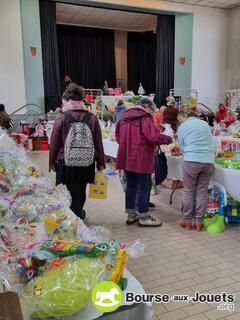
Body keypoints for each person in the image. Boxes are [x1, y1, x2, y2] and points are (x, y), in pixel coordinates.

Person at [49, 83, 105, 219]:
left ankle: (76, 218)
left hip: (67, 160)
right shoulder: (91, 117)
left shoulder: (62, 117)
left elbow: (55, 140)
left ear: (67, 100)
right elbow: (98, 141)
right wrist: (101, 162)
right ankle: (79, 212)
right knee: (81, 188)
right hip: (87, 160)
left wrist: (51, 162)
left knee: (73, 190)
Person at [116, 98, 171, 227]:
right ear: (146, 107)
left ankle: (131, 215)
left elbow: (118, 138)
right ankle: (144, 217)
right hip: (141, 158)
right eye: (152, 110)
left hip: (126, 157)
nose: (152, 113)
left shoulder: (123, 118)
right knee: (145, 187)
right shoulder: (144, 118)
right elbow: (153, 137)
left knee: (131, 186)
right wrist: (168, 138)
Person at [178, 105, 214, 232]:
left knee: (188, 190)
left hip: (191, 160)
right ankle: (199, 222)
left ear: (183, 116)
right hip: (208, 161)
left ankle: (187, 220)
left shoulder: (183, 126)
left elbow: (182, 148)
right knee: (202, 191)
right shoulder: (205, 124)